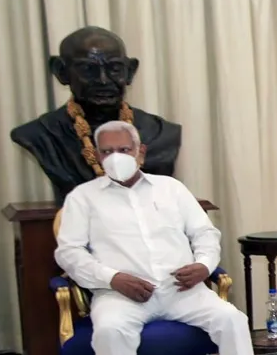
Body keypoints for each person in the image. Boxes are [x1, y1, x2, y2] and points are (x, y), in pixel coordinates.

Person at [54, 120, 253, 355]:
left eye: (124, 149)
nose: (116, 157)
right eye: (107, 151)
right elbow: (69, 252)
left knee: (233, 320)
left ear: (140, 151)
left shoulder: (171, 188)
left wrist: (204, 265)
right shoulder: (83, 197)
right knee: (110, 331)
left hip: (182, 291)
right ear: (97, 156)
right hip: (119, 295)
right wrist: (112, 278)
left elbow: (205, 233)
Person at [10, 26, 181, 206]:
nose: (103, 80)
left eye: (114, 68)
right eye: (88, 69)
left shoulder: (161, 133)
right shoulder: (39, 134)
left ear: (130, 71)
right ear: (61, 72)